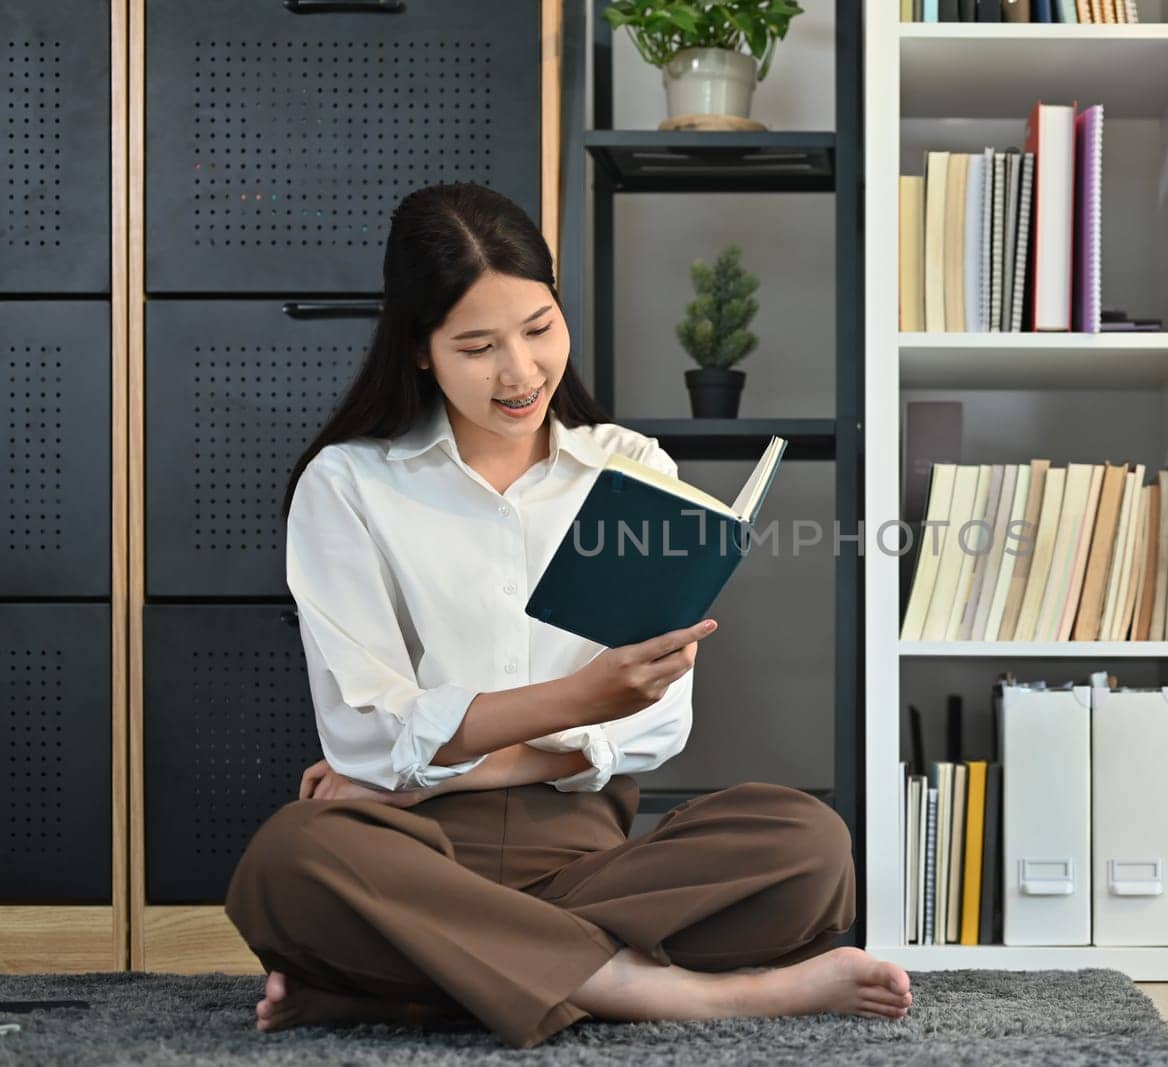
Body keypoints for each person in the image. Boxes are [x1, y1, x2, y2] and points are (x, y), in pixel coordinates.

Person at [223, 182, 912, 1048]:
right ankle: (683, 992)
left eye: (539, 329)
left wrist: (442, 762)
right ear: (421, 349)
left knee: (807, 842)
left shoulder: (628, 470)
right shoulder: (350, 484)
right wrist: (579, 703)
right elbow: (362, 727)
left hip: (590, 858)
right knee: (291, 860)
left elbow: (659, 724)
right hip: (411, 853)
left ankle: (414, 985)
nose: (520, 373)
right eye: (477, 346)